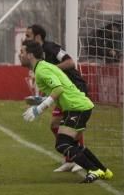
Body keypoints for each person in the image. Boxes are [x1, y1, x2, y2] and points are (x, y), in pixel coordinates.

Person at [20, 40, 112, 184]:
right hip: (75, 106)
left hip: (77, 107)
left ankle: (93, 170)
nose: (20, 55)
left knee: (62, 144)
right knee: (72, 143)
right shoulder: (43, 67)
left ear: (30, 55)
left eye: (22, 52)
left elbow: (58, 89)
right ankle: (104, 171)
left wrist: (40, 109)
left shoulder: (42, 70)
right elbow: (58, 88)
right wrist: (39, 100)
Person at [25, 24, 89, 174]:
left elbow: (70, 62)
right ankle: (70, 159)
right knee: (55, 124)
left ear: (38, 37)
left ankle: (80, 157)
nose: (25, 38)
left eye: (28, 35)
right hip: (62, 92)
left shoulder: (51, 48)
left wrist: (54, 69)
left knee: (72, 125)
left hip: (74, 87)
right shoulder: (38, 57)